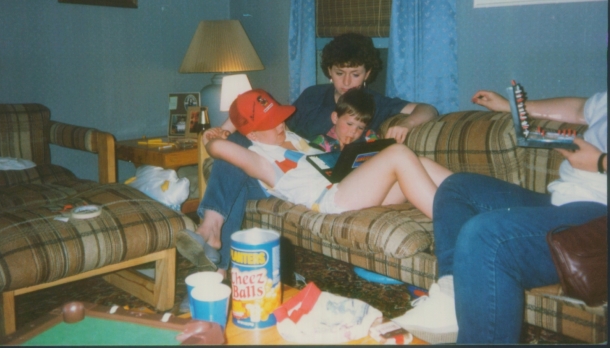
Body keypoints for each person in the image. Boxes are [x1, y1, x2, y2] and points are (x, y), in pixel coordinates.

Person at [177, 33, 439, 278]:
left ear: (367, 73)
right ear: (329, 72)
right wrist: (222, 132)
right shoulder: (313, 97)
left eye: (355, 74)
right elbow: (265, 116)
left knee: (233, 167)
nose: (347, 82)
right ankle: (213, 244)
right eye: (340, 73)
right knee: (234, 149)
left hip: (327, 181)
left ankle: (213, 255)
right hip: (289, 175)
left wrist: (408, 124)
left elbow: (428, 109)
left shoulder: (370, 102)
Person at [393, 89, 607, 344]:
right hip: (562, 202)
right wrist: (511, 106)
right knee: (457, 187)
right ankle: (450, 296)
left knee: (487, 235)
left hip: (599, 217)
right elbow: (579, 108)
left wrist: (602, 162)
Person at [205, 89, 451, 217]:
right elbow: (217, 148)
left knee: (420, 162)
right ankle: (450, 225)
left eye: (279, 119)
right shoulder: (262, 160)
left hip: (350, 189)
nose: (280, 125)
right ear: (252, 135)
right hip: (333, 199)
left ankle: (466, 195)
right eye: (271, 124)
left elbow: (262, 114)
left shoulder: (292, 137)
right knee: (397, 154)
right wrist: (214, 136)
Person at [309, 88, 378, 153]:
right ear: (335, 118)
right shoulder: (322, 142)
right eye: (349, 124)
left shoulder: (369, 136)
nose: (354, 131)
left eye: (360, 127)